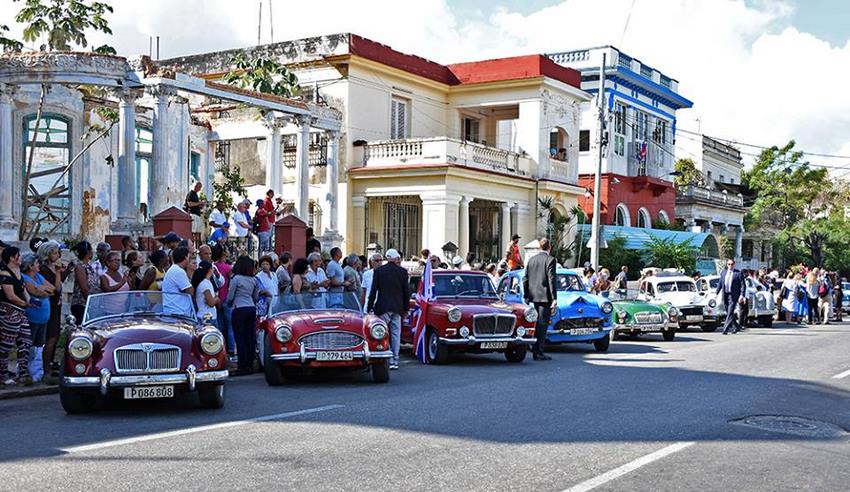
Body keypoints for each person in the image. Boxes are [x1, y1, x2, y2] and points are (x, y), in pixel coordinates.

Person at [367, 249, 409, 370]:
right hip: (397, 307)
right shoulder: (402, 271)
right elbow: (406, 292)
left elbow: (373, 291)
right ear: (396, 258)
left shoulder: (379, 271)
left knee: (383, 333)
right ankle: (395, 359)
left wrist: (369, 307)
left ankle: (386, 357)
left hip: (383, 306)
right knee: (396, 333)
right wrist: (406, 308)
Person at [0, 247, 32, 386]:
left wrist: (29, 301)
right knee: (6, 345)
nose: (21, 258)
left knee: (26, 342)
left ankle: (23, 374)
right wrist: (25, 303)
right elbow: (11, 296)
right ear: (12, 258)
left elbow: (23, 289)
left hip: (21, 311)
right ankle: (3, 375)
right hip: (9, 311)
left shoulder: (18, 272)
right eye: (18, 255)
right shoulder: (5, 274)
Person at [37, 241, 69, 381]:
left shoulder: (51, 267)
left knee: (54, 336)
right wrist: (57, 272)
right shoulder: (44, 269)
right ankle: (46, 369)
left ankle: (49, 364)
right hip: (49, 305)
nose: (58, 255)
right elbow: (56, 287)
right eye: (55, 252)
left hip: (56, 305)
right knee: (51, 337)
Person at [523, 238, 556, 361]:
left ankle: (535, 348)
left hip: (533, 295)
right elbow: (551, 279)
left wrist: (526, 295)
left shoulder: (531, 260)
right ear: (549, 247)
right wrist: (554, 298)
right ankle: (538, 351)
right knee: (542, 324)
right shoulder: (550, 260)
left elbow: (525, 279)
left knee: (535, 323)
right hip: (544, 296)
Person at [21, 253, 52, 382]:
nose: (39, 265)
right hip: (32, 317)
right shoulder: (24, 278)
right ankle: (25, 371)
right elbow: (35, 292)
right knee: (29, 344)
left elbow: (53, 289)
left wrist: (42, 288)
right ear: (30, 266)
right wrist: (43, 290)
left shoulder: (38, 276)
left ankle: (36, 373)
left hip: (43, 318)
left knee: (39, 345)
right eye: (36, 264)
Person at [226, 256, 260, 374]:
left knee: (240, 338)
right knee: (250, 337)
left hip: (239, 308)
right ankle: (250, 364)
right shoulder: (254, 280)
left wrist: (228, 303)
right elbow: (255, 297)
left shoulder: (236, 279)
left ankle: (242, 365)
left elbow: (230, 296)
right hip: (251, 308)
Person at [211, 245, 235, 358]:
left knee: (220, 325)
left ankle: (221, 348)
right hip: (226, 299)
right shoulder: (228, 268)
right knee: (230, 326)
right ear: (224, 254)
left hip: (217, 299)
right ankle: (231, 349)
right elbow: (233, 282)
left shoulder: (214, 266)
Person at [69, 241, 98, 325]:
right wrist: (90, 302)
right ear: (88, 252)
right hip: (81, 304)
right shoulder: (80, 267)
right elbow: (84, 289)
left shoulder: (89, 266)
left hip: (88, 304)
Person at [162, 247, 194, 316]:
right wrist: (191, 275)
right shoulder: (178, 271)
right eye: (189, 257)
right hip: (177, 312)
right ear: (185, 257)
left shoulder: (175, 269)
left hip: (176, 311)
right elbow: (190, 291)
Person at [716, 258, 745, 335]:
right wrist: (716, 293)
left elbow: (743, 285)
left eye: (732, 264)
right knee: (729, 312)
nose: (730, 266)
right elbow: (720, 284)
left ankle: (725, 329)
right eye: (729, 264)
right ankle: (736, 326)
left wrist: (742, 295)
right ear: (727, 265)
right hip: (725, 295)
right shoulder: (723, 273)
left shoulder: (738, 273)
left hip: (734, 296)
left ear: (734, 265)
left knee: (730, 311)